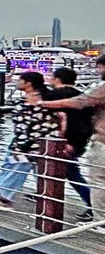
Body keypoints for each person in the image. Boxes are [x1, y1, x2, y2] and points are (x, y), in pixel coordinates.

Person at [40, 54, 105, 220]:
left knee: (97, 182)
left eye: (99, 67)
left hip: (97, 142)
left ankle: (99, 221)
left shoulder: (100, 90)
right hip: (82, 140)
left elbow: (79, 102)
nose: (98, 71)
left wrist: (42, 104)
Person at [0, 71, 61, 208]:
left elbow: (27, 127)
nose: (17, 82)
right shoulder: (47, 101)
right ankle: (47, 202)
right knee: (41, 174)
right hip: (42, 145)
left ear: (28, 83)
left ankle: (4, 199)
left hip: (27, 145)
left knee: (14, 170)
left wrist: (20, 147)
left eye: (20, 80)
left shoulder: (31, 103)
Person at [49, 67, 94, 221]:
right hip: (79, 141)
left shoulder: (52, 97)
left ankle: (92, 205)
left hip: (60, 141)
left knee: (71, 173)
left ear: (57, 79)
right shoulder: (83, 98)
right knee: (70, 172)